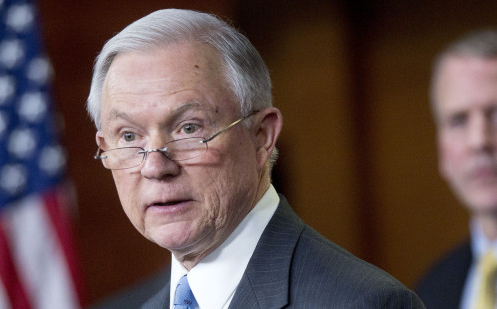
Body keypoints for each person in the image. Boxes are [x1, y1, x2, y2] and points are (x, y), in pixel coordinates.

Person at [86, 8, 424, 308]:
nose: (155, 166)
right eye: (129, 136)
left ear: (261, 136)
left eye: (188, 128)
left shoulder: (365, 302)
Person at [415, 29, 497, 309]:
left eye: (496, 114)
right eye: (459, 121)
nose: (479, 141)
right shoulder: (430, 289)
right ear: (442, 152)